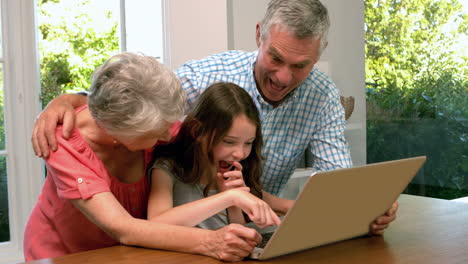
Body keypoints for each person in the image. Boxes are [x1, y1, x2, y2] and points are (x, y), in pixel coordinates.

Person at [30, 0, 397, 235]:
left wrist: (361, 208)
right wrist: (69, 99)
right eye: (276, 59)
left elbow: (333, 184)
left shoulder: (323, 97)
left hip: (190, 235)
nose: (283, 77)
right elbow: (131, 98)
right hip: (78, 246)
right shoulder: (204, 79)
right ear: (259, 36)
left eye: (300, 66)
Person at [23, 52, 263, 262]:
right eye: (156, 132)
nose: (168, 134)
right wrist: (211, 241)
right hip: (63, 255)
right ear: (119, 134)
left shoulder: (144, 122)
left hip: (125, 254)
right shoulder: (63, 144)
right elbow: (124, 228)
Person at [148, 82, 282, 230]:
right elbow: (156, 223)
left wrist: (233, 203)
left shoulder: (232, 172)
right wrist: (229, 198)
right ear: (197, 130)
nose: (240, 154)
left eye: (248, 143)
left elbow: (237, 229)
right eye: (229, 141)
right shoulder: (167, 168)